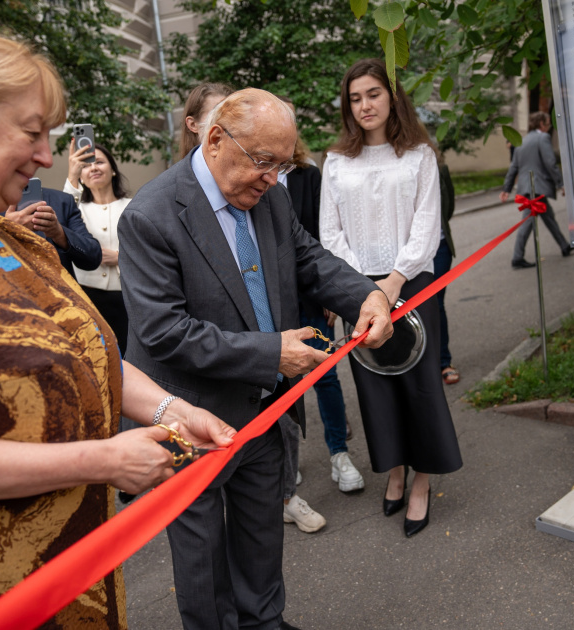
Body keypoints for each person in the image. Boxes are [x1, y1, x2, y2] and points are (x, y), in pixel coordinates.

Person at [0, 32, 236, 630]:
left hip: (66, 574)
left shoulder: (20, 241)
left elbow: (90, 357)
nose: (46, 155)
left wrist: (171, 410)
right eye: (32, 132)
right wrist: (106, 459)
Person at [117, 87, 393, 630]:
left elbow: (310, 259)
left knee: (261, 544)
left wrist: (368, 295)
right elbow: (164, 331)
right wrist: (272, 352)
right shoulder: (149, 215)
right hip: (192, 421)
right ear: (215, 138)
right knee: (202, 565)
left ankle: (264, 621)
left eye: (282, 165)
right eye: (263, 163)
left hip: (267, 415)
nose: (272, 179)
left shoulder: (273, 197)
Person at [320, 58, 463, 538]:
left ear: (392, 96)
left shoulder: (420, 154)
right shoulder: (337, 161)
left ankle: (422, 482)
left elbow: (429, 223)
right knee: (376, 390)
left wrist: (395, 282)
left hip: (413, 285)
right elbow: (329, 232)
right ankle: (395, 472)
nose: (364, 105)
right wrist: (363, 288)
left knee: (420, 385)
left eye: (373, 94)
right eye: (355, 98)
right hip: (358, 292)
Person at [275, 95, 359, 535]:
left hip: (309, 292)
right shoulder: (252, 176)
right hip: (272, 298)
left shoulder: (308, 175)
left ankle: (339, 453)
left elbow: (322, 234)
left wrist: (332, 291)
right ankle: (288, 466)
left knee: (325, 373)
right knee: (281, 381)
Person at [65, 143, 131, 356]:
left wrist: (120, 257)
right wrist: (71, 175)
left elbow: (152, 248)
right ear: (81, 177)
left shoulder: (133, 205)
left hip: (128, 297)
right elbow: (60, 225)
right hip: (87, 296)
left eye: (100, 162)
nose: (93, 168)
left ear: (113, 170)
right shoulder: (76, 210)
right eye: (86, 166)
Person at [499, 111, 573, 269]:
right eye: (548, 123)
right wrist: (561, 183)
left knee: (549, 217)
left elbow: (514, 167)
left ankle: (564, 246)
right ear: (541, 124)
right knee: (527, 222)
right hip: (536, 187)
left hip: (528, 187)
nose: (549, 126)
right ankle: (517, 258)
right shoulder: (543, 138)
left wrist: (507, 188)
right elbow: (550, 162)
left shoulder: (522, 141)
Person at [5, 186, 102, 276]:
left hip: (60, 290)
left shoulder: (62, 200)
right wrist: (4, 229)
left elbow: (93, 258)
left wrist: (60, 234)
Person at [435, 156, 459, 385]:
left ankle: (444, 361)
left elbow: (448, 205)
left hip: (439, 247)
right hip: (405, 253)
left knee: (436, 303)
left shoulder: (440, 167)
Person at [178, 82, 234, 160]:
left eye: (231, 114)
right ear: (193, 124)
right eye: (216, 115)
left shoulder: (250, 168)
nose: (226, 121)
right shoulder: (181, 171)